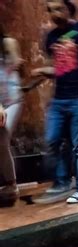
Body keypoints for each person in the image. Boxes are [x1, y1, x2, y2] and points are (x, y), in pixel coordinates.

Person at [32, 0, 78, 203]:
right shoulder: (51, 37)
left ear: (68, 8)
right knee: (54, 139)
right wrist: (35, 79)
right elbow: (55, 68)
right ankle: (63, 183)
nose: (54, 13)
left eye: (58, 8)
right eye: (51, 9)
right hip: (59, 99)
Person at [0, 24, 23, 205]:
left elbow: (17, 68)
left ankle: (11, 184)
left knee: (1, 137)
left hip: (12, 100)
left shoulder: (7, 42)